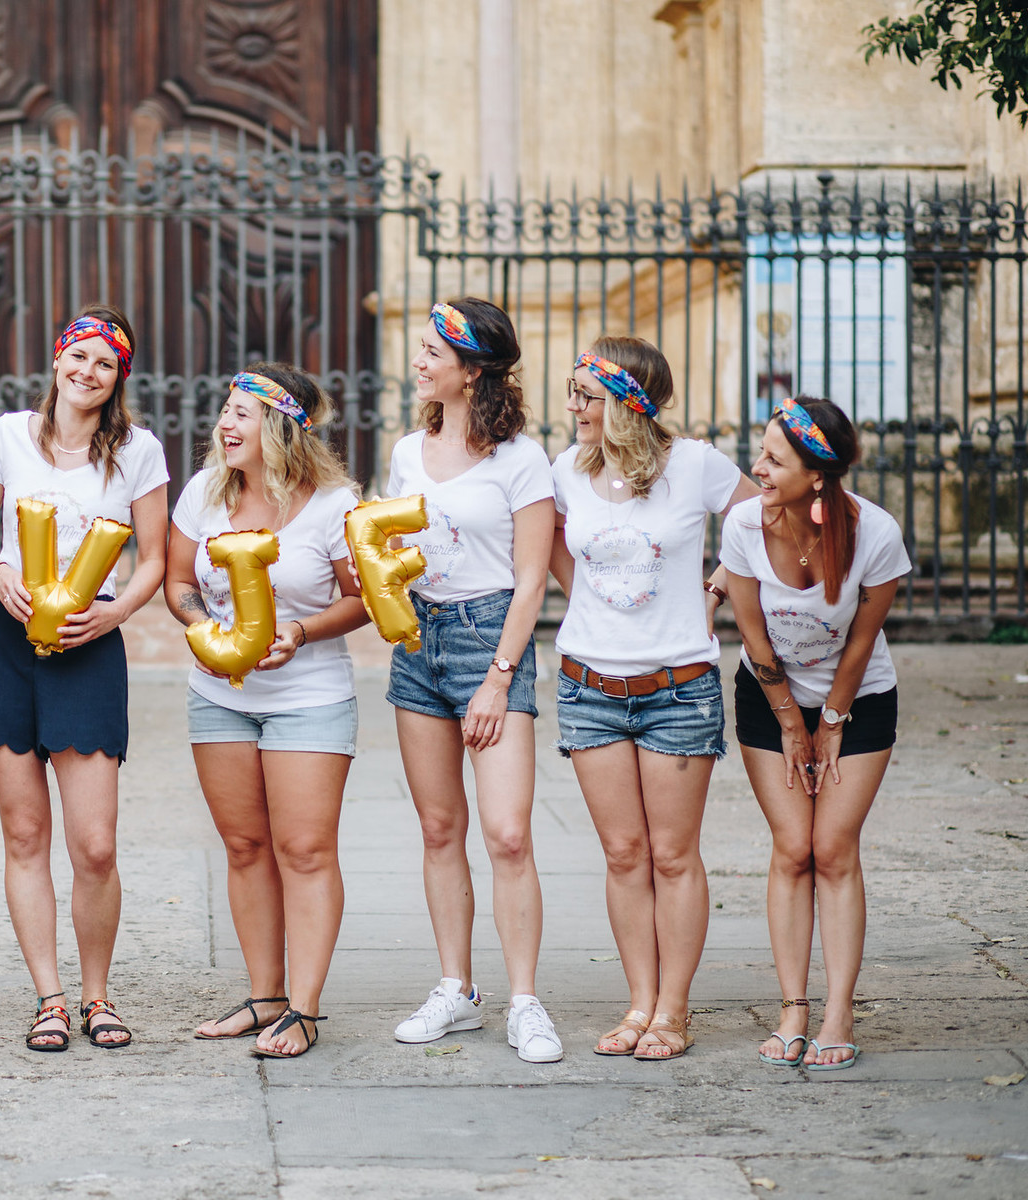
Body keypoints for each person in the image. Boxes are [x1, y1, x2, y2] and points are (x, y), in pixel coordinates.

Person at [0, 305, 169, 1051]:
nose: (88, 372)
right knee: (23, 832)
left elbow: (157, 561)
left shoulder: (138, 452)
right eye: (79, 357)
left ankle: (97, 995)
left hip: (89, 648)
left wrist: (116, 616)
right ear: (57, 359)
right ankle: (49, 997)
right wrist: (0, 570)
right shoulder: (10, 435)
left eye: (104, 364)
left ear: (118, 379)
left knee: (95, 844)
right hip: (3, 648)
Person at [549, 336, 760, 1061]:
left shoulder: (696, 465)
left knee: (673, 855)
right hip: (590, 686)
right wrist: (592, 606)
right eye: (573, 393)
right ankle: (639, 1001)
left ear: (629, 403)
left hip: (679, 688)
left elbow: (763, 519)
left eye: (586, 395)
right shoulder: (565, 472)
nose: (571, 406)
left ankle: (674, 1010)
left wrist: (716, 588)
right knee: (622, 853)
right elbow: (545, 546)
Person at [167, 363, 367, 1059]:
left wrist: (301, 632)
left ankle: (305, 1009)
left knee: (304, 851)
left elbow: (361, 598)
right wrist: (201, 630)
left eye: (242, 414)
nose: (225, 424)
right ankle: (265, 997)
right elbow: (177, 580)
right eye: (225, 410)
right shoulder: (205, 493)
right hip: (219, 697)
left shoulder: (334, 503)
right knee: (246, 847)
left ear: (281, 428)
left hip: (309, 699)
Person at [384, 299, 562, 1063]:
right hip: (418, 639)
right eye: (420, 349)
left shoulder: (521, 459)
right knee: (437, 828)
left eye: (432, 352)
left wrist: (498, 678)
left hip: (491, 637)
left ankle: (525, 1000)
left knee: (508, 833)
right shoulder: (404, 451)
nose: (419, 361)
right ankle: (456, 988)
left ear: (473, 369)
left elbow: (531, 582)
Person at [721, 396, 908, 1071]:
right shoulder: (744, 524)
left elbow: (862, 641)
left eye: (774, 459)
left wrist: (829, 720)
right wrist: (789, 721)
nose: (757, 467)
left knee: (833, 847)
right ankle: (794, 1005)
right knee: (793, 846)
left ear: (819, 477)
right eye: (762, 452)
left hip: (859, 701)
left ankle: (839, 1009)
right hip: (768, 698)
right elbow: (750, 632)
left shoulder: (876, 534)